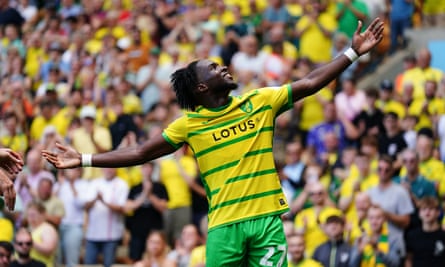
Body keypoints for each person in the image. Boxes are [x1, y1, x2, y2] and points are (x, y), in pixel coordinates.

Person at [42, 18, 384, 266]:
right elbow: (142, 152)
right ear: (201, 88)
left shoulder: (260, 101)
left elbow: (309, 83)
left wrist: (351, 53)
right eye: (212, 67)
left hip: (267, 222)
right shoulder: (188, 125)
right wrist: (85, 159)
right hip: (223, 228)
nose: (221, 66)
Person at [405, 197, 445, 267]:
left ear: (438, 213)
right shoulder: (412, 235)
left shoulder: (443, 236)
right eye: (424, 209)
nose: (427, 212)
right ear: (419, 213)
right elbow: (409, 259)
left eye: (431, 209)